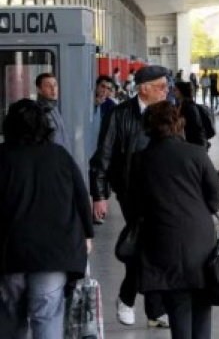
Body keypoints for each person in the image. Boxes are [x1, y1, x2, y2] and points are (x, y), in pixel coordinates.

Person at [0, 98, 94, 338]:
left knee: (11, 314)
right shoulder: (59, 156)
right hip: (54, 251)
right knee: (47, 315)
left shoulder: (2, 157)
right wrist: (87, 233)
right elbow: (81, 197)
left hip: (10, 252)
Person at [89, 65, 170, 329]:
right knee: (146, 243)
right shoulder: (119, 115)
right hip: (131, 191)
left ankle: (146, 307)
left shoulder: (168, 113)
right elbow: (102, 157)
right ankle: (132, 301)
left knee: (153, 246)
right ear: (144, 89)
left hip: (163, 190)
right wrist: (99, 195)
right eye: (161, 86)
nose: (166, 90)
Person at [133, 101, 219, 339]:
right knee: (203, 303)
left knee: (178, 304)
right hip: (199, 239)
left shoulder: (140, 160)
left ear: (148, 127)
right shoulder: (197, 154)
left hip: (162, 238)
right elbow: (216, 198)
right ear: (177, 123)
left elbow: (134, 203)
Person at [92, 75, 118, 225]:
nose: (104, 91)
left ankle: (99, 210)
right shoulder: (87, 102)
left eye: (108, 89)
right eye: (102, 86)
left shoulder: (111, 107)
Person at [35, 72, 72, 154]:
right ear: (39, 90)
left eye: (55, 85)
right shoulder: (39, 112)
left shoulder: (54, 108)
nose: (53, 89)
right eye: (48, 85)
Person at [172, 81, 207, 148]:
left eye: (175, 90)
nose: (173, 91)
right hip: (190, 140)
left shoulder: (189, 106)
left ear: (181, 92)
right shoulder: (180, 104)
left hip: (195, 142)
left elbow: (194, 125)